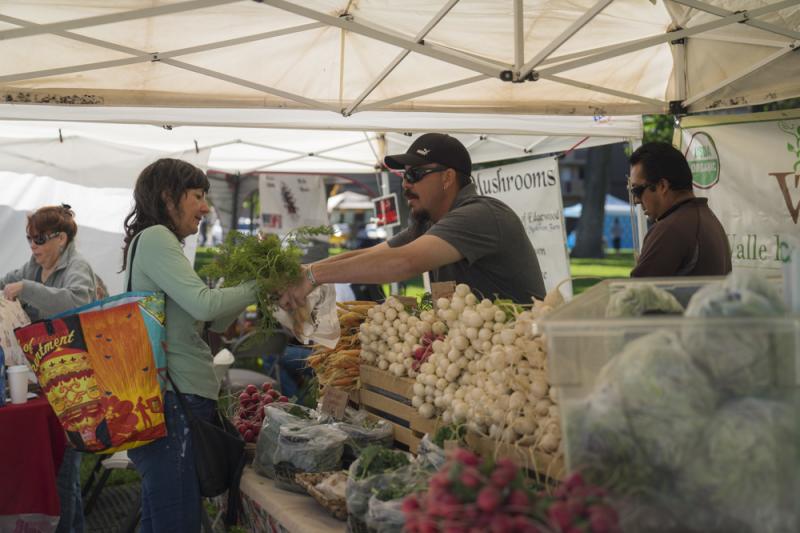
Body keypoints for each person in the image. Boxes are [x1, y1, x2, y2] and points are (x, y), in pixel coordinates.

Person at [122, 158, 257, 532]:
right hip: (173, 404)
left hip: (170, 401)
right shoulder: (156, 239)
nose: (205, 207)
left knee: (161, 518)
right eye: (197, 195)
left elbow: (210, 320)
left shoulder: (154, 243)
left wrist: (242, 284)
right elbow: (204, 304)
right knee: (175, 522)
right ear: (168, 197)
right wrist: (261, 285)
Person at [280, 133, 546, 309]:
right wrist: (305, 270)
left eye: (416, 174)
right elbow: (375, 254)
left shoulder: (480, 215)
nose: (406, 184)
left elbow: (402, 263)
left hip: (516, 362)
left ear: (447, 178)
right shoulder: (429, 225)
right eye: (404, 176)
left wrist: (315, 276)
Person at [0, 204, 97, 533]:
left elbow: (78, 303)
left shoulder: (78, 266)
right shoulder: (33, 265)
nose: (33, 247)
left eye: (39, 240)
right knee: (62, 472)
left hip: (75, 381)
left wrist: (28, 290)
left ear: (62, 238)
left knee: (64, 471)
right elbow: (5, 282)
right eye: (29, 239)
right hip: (46, 380)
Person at [628, 142, 731, 277]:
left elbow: (637, 294)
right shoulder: (707, 219)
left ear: (662, 186)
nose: (636, 200)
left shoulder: (670, 229)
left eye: (637, 190)